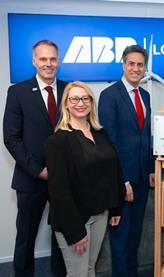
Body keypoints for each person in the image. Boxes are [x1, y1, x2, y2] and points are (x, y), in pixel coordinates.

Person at [44, 81, 126, 276]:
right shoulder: (57, 141)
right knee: (78, 272)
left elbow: (113, 171)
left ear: (91, 103)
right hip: (74, 219)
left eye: (85, 98)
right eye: (74, 99)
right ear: (66, 104)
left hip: (100, 213)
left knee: (90, 269)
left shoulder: (100, 133)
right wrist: (75, 231)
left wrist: (115, 207)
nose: (80, 103)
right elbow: (59, 191)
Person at [3, 39, 66, 277]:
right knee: (25, 239)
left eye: (52, 59)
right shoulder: (17, 92)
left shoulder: (70, 90)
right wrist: (38, 169)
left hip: (63, 180)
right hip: (31, 179)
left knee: (62, 237)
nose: (48, 64)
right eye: (43, 59)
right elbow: (11, 138)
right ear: (34, 61)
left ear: (58, 61)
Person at [98, 45, 155, 277]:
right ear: (123, 65)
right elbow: (109, 144)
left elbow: (146, 135)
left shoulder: (145, 96)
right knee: (120, 241)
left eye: (140, 64)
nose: (135, 68)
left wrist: (151, 168)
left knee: (134, 238)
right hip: (121, 182)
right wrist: (121, 181)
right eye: (131, 63)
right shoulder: (109, 96)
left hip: (142, 178)